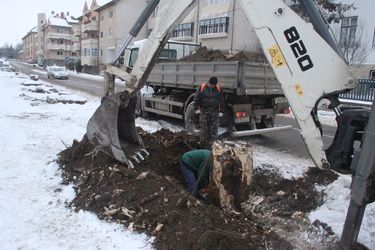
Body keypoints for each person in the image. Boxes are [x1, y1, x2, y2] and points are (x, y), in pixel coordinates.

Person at [193, 76, 223, 141]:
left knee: (214, 129)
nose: (212, 86)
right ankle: (204, 143)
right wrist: (195, 108)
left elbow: (221, 100)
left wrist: (221, 111)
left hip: (214, 111)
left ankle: (213, 144)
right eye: (211, 84)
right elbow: (196, 98)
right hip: (204, 111)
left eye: (213, 85)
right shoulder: (202, 87)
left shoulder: (218, 88)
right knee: (204, 129)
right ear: (208, 82)